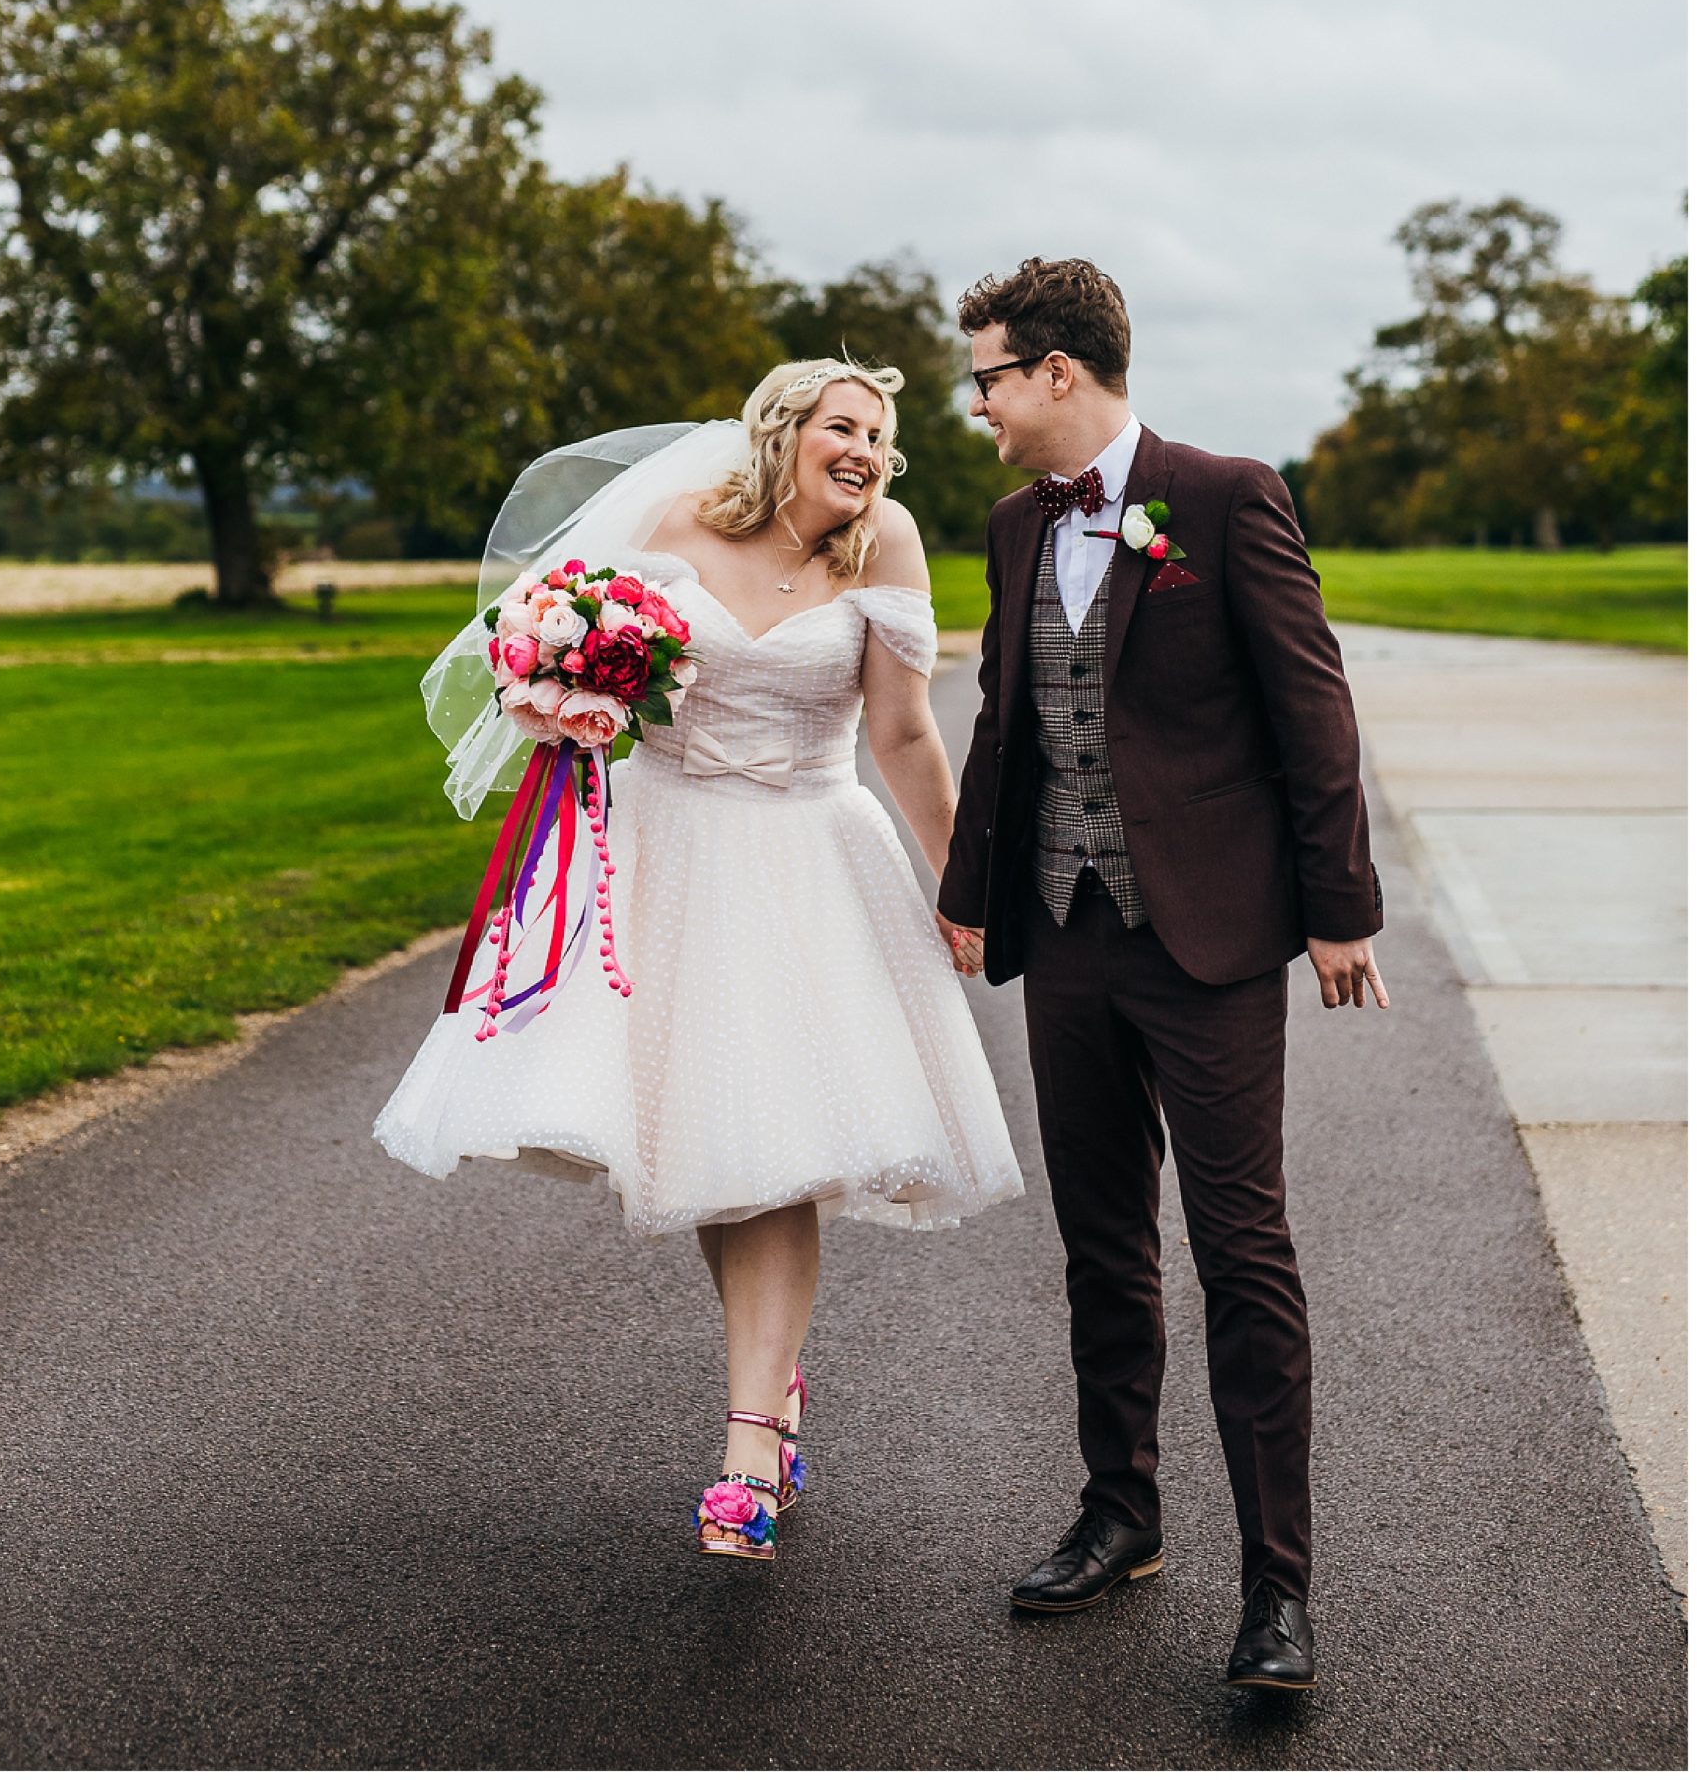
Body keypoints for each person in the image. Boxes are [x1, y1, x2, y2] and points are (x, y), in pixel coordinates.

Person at [376, 360, 1022, 1563]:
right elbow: (578, 672)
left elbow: (901, 727)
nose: (868, 451)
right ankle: (772, 1393)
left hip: (810, 859)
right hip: (665, 855)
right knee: (718, 1145)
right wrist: (564, 693)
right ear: (780, 433)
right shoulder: (670, 526)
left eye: (881, 437)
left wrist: (960, 885)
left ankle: (746, 1448)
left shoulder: (884, 546)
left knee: (776, 1154)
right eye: (845, 426)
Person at [935, 256, 1387, 1691]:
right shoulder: (1015, 526)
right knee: (1100, 1246)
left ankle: (1278, 1588)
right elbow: (1009, 720)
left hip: (1206, 939)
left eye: (989, 378)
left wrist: (1339, 912)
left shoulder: (1224, 495)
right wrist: (967, 899)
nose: (979, 407)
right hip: (1062, 936)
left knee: (1241, 1252)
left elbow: (1312, 713)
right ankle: (1119, 1512)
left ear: (1058, 371)